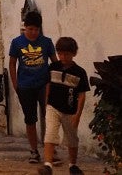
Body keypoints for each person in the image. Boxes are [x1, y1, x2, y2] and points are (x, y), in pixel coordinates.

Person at [9, 10, 58, 164]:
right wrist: (15, 84)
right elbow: (12, 64)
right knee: (30, 119)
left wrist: (54, 82)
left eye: (36, 29)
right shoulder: (17, 43)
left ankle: (51, 150)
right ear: (25, 28)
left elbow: (54, 63)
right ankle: (34, 150)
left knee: (49, 118)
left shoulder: (46, 42)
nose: (33, 33)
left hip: (44, 85)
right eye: (30, 29)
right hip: (25, 85)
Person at [38, 37, 90, 175]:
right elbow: (48, 85)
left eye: (66, 54)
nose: (63, 57)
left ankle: (73, 165)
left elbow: (82, 95)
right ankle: (48, 165)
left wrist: (78, 115)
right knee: (50, 134)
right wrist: (46, 102)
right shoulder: (53, 67)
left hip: (70, 111)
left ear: (74, 53)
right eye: (60, 54)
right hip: (53, 107)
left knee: (71, 138)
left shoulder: (79, 72)